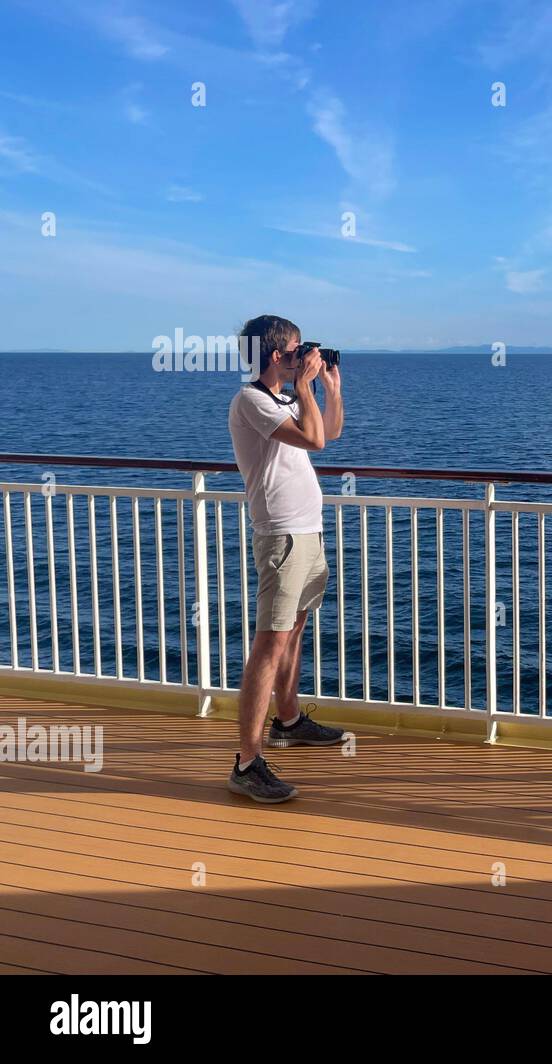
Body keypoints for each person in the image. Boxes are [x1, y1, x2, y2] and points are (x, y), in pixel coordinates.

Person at [225, 314, 345, 802]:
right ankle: (247, 762)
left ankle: (289, 721)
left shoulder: (287, 398)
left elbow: (329, 432)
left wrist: (328, 388)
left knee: (293, 633)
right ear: (279, 355)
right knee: (269, 645)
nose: (305, 355)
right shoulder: (252, 400)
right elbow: (314, 439)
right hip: (280, 537)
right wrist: (305, 386)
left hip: (306, 532)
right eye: (298, 349)